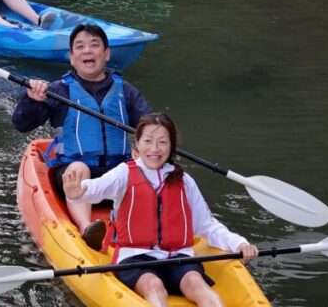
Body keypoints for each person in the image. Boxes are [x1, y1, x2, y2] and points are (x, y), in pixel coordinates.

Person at [63, 112, 259, 307]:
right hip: (135, 258)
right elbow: (96, 188)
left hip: (178, 258)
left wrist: (239, 243)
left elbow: (207, 225)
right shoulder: (123, 173)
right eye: (148, 141)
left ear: (171, 146)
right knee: (154, 286)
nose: (154, 149)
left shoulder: (184, 181)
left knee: (196, 283)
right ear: (137, 144)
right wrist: (78, 191)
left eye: (162, 142)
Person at [12, 23, 150, 247]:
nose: (87, 50)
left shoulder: (125, 90)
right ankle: (87, 228)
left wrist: (160, 147)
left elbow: (149, 127)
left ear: (106, 54)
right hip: (73, 175)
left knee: (145, 172)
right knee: (79, 169)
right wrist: (31, 100)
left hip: (116, 174)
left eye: (95, 45)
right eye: (80, 46)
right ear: (71, 57)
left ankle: (145, 232)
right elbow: (21, 124)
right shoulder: (58, 90)